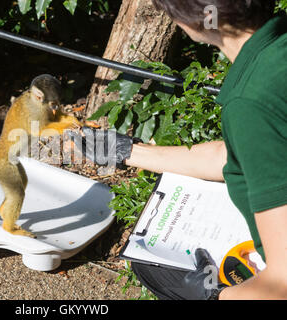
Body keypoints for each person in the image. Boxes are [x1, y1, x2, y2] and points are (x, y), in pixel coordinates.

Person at [71, 0, 287, 299]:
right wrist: (129, 152)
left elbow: (284, 283)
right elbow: (242, 153)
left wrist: (213, 295)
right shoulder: (278, 51)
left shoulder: (250, 103)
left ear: (191, 17)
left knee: (159, 270)